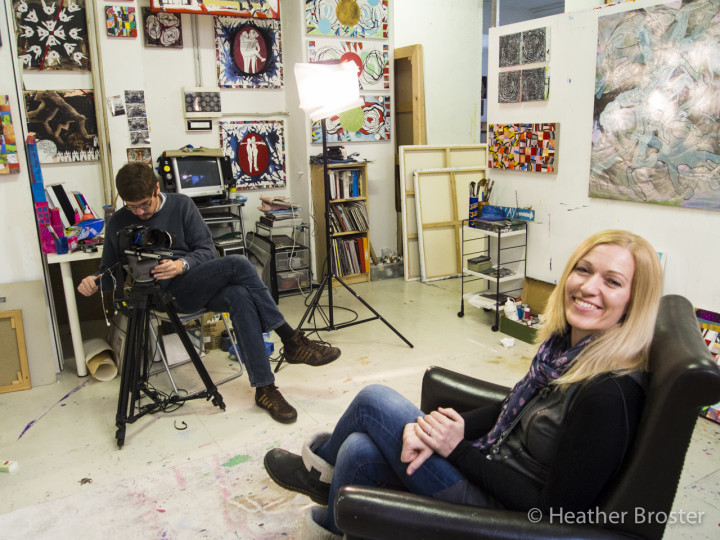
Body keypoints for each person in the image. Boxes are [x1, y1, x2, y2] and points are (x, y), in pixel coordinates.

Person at [263, 230, 663, 538]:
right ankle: (335, 525)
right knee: (359, 447)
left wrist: (455, 449)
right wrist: (443, 429)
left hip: (507, 515)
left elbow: (556, 513)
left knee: (374, 400)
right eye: (584, 269)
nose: (589, 287)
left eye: (612, 282)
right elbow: (513, 408)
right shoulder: (564, 350)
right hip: (491, 463)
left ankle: (315, 474)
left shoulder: (608, 393)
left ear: (635, 301)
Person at [78, 163, 341, 424]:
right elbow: (110, 271)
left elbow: (206, 251)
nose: (140, 212)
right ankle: (291, 339)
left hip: (191, 278)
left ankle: (265, 389)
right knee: (239, 264)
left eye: (145, 204)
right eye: (132, 206)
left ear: (157, 188)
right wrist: (94, 281)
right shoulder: (118, 221)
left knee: (240, 294)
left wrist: (181, 265)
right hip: (162, 295)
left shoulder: (181, 205)